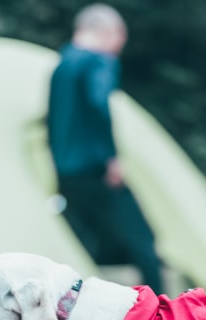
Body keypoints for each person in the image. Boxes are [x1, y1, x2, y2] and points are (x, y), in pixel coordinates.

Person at [47, 3, 164, 294]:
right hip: (94, 169)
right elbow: (99, 105)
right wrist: (111, 158)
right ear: (108, 32)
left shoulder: (62, 65)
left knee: (82, 244)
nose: (118, 48)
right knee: (143, 240)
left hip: (67, 173)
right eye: (119, 38)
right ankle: (162, 314)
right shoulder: (98, 61)